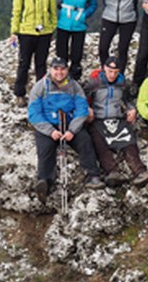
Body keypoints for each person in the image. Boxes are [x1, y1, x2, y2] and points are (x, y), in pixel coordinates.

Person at [28, 57, 105, 202]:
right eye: (56, 69)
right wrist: (50, 131)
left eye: (62, 69)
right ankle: (44, 181)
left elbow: (82, 109)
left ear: (67, 70)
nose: (59, 72)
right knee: (45, 148)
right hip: (48, 125)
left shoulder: (74, 86)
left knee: (85, 141)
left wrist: (72, 130)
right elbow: (34, 113)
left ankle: (93, 175)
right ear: (50, 70)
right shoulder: (40, 87)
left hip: (69, 124)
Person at [84, 57, 148, 188]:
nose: (112, 75)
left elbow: (128, 99)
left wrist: (131, 109)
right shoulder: (94, 83)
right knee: (100, 143)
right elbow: (81, 98)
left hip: (117, 118)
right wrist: (87, 109)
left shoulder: (122, 84)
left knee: (129, 141)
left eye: (115, 72)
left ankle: (139, 171)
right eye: (110, 71)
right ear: (104, 69)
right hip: (98, 119)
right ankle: (111, 171)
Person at [65, 0, 148, 73]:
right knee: (103, 48)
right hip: (109, 17)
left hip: (128, 19)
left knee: (123, 49)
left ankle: (119, 75)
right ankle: (106, 72)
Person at [10, 0, 58, 105]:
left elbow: (53, 12)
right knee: (24, 63)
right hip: (26, 32)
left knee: (41, 64)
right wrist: (14, 32)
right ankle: (20, 94)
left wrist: (51, 28)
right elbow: (16, 13)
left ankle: (40, 94)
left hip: (44, 34)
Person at [50, 0, 97, 81]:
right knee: (61, 54)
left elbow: (93, 5)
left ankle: (74, 80)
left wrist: (84, 15)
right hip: (63, 23)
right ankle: (60, 78)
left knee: (77, 55)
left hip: (79, 24)